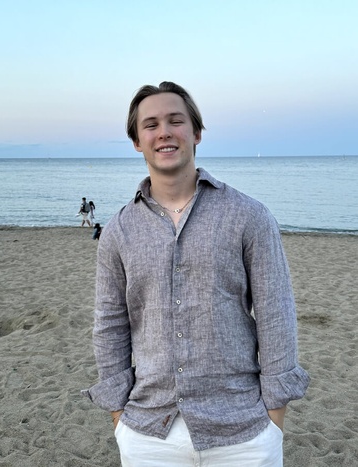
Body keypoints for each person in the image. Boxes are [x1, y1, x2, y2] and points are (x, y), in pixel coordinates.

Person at [82, 82, 310, 466]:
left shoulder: (248, 216)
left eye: (176, 121)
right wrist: (119, 418)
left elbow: (275, 314)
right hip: (148, 431)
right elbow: (110, 324)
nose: (164, 132)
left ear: (196, 133)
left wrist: (275, 418)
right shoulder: (119, 230)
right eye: (150, 124)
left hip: (244, 430)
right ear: (137, 141)